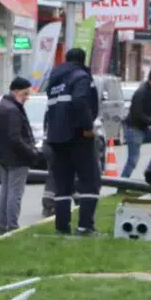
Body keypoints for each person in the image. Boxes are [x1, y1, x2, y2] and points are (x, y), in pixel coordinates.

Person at [43, 48, 101, 236]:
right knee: (90, 181)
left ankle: (62, 228)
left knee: (63, 186)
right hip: (77, 136)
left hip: (56, 138)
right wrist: (87, 127)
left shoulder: (54, 81)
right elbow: (79, 101)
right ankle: (85, 227)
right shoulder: (81, 77)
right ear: (83, 60)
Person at [0, 77, 38, 236]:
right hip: (17, 159)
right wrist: (31, 152)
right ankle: (12, 227)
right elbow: (15, 138)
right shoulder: (12, 110)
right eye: (25, 94)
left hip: (5, 157)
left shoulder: (2, 107)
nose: (27, 98)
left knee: (5, 192)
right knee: (15, 194)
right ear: (16, 91)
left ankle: (1, 227)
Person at [122, 67, 151, 178]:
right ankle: (122, 184)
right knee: (133, 160)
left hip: (144, 128)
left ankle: (150, 170)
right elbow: (137, 114)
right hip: (134, 128)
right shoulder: (141, 92)